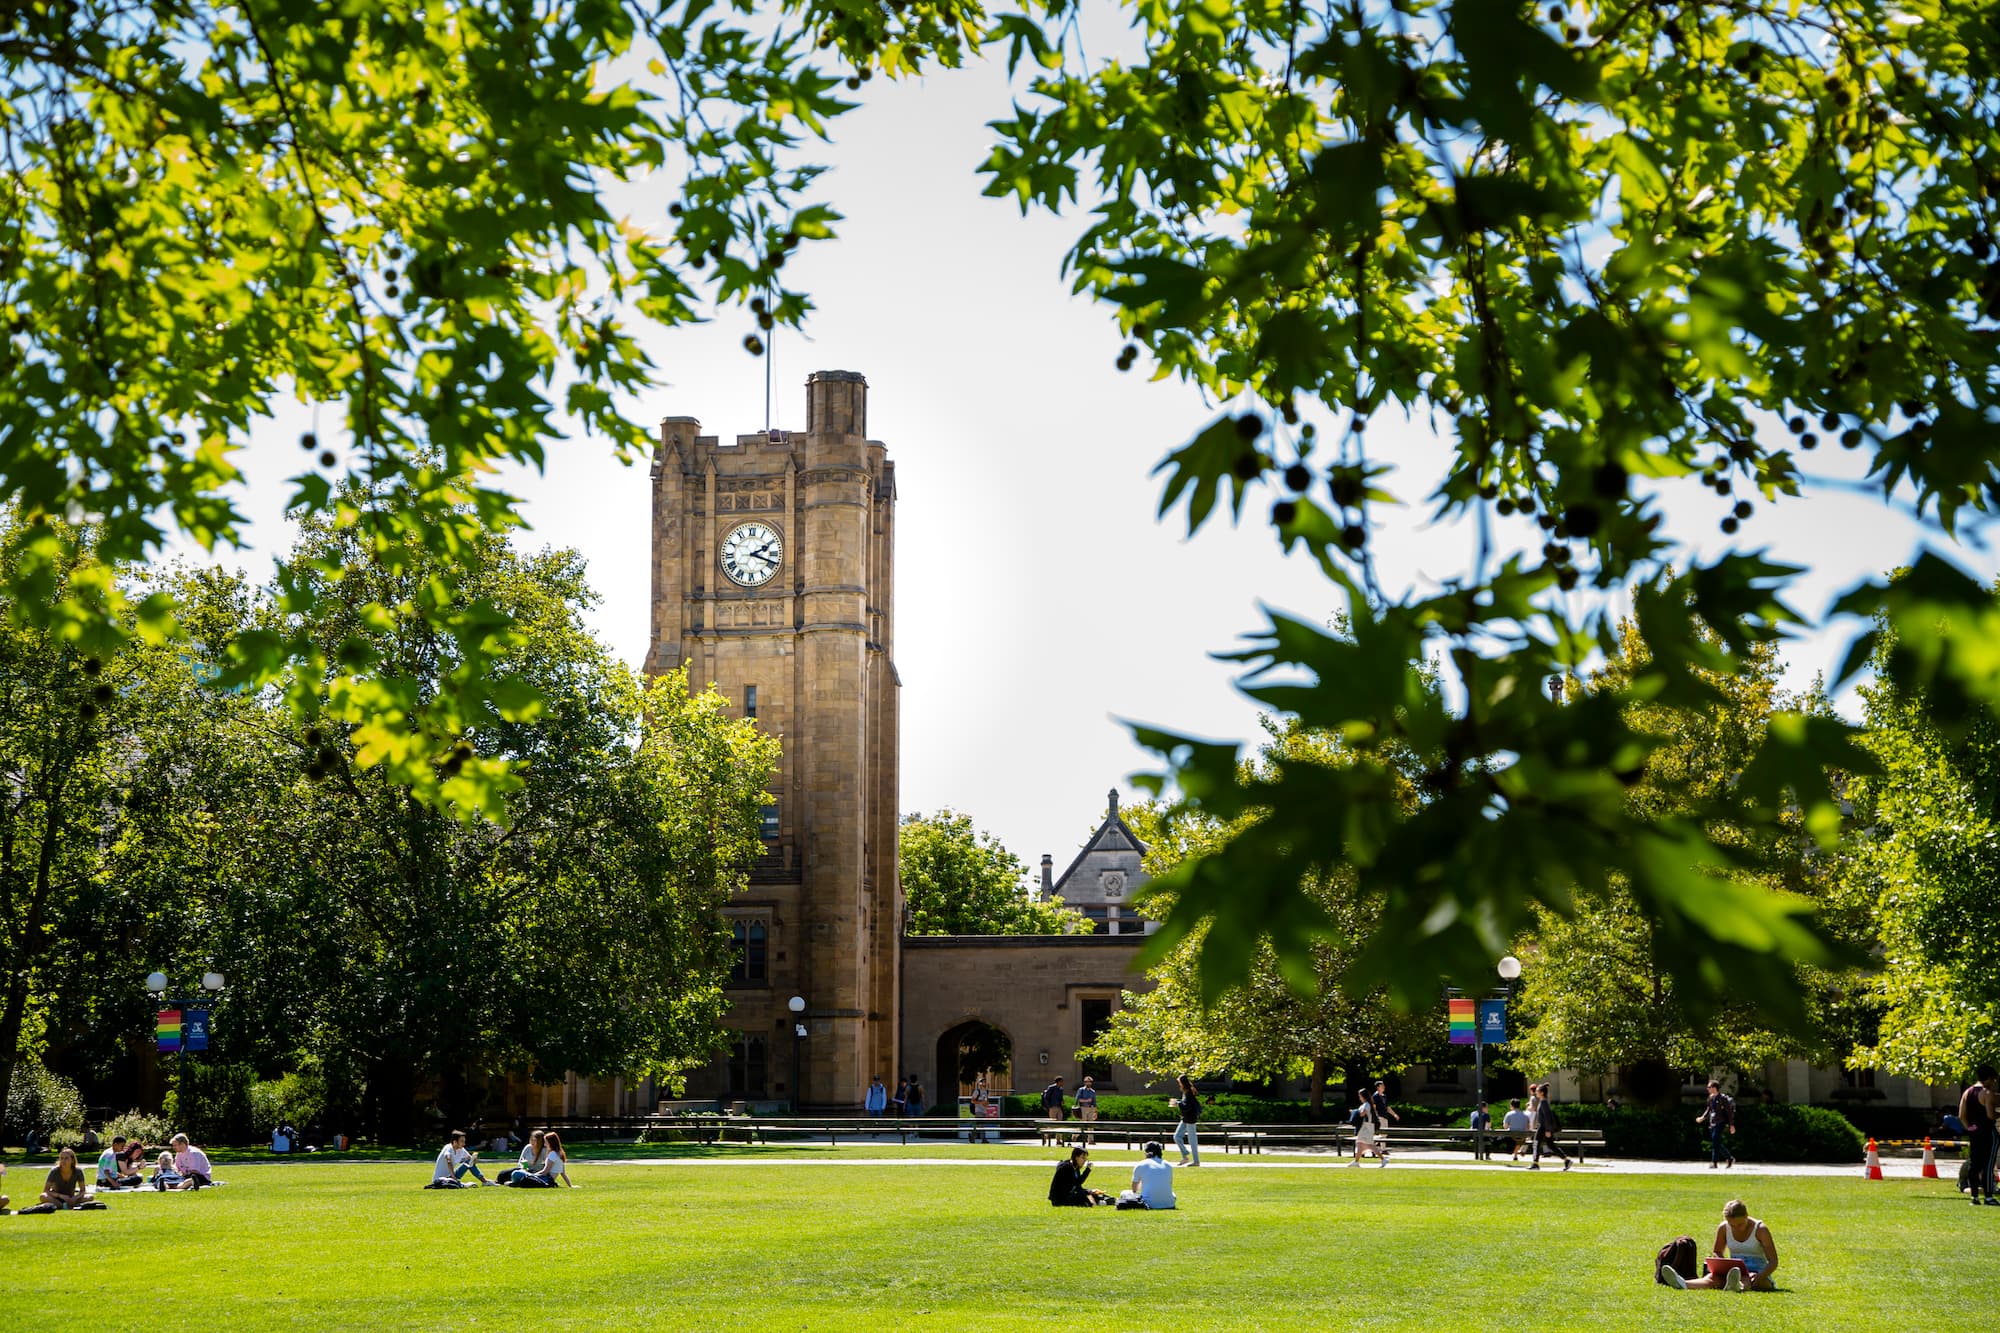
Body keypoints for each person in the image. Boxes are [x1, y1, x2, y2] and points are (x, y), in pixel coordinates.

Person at [1659, 1199, 1780, 1291]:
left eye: (1740, 1224)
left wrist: (1760, 1275)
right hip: (1735, 1270)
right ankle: (1682, 1283)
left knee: (1747, 1279)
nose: (1736, 1228)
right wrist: (1721, 1265)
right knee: (1713, 1278)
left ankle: (1738, 1286)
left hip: (1758, 1272)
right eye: (1732, 1225)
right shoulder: (1723, 1228)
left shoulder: (1760, 1229)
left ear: (1746, 1216)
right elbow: (1717, 1251)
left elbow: (1773, 1261)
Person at [1961, 1065, 1997, 1205]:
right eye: (1993, 1080)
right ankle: (1988, 1197)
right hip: (1988, 1132)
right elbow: (1990, 1115)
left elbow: (1961, 1115)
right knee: (1988, 1164)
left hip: (1974, 1132)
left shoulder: (1967, 1092)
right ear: (1988, 1078)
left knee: (1974, 1164)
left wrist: (1970, 1128)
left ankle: (1974, 1197)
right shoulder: (1986, 1093)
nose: (1994, 1083)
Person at [1118, 1140, 1176, 1210]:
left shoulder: (1141, 1164)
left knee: (1124, 1193)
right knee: (1173, 1194)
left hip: (1149, 1203)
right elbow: (1169, 1184)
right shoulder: (1168, 1164)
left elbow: (1134, 1189)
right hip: (1170, 1203)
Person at [1530, 1084, 1572, 1172]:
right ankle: (1567, 1160)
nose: (1536, 1093)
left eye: (1537, 1091)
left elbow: (1548, 1117)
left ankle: (1535, 1163)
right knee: (1550, 1145)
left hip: (1543, 1127)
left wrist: (1548, 1130)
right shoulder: (1543, 1101)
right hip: (1544, 1127)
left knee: (1536, 1143)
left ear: (1542, 1093)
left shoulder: (1544, 1102)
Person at [1697, 1079, 1736, 1170]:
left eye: (1709, 1087)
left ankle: (1714, 1162)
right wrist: (1702, 1117)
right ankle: (1729, 1158)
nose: (1708, 1089)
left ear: (1714, 1088)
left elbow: (1729, 1112)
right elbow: (1709, 1109)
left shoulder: (1723, 1098)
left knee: (1715, 1140)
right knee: (1716, 1142)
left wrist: (1731, 1125)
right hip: (1712, 1122)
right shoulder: (1711, 1098)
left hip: (1720, 1122)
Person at [1351, 1086, 1388, 1167]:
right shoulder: (1367, 1104)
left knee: (1368, 1145)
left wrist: (1354, 1112)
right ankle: (1356, 1162)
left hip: (1366, 1127)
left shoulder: (1366, 1105)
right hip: (1367, 1127)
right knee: (1361, 1144)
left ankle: (1383, 1159)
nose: (1359, 1097)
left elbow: (1362, 1114)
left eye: (1359, 1095)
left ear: (1362, 1096)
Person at [1173, 1075, 1202, 1167]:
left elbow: (1187, 1107)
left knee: (1192, 1140)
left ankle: (1196, 1161)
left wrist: (1177, 1103)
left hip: (1190, 1119)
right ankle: (1185, 1156)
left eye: (1179, 1082)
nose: (1178, 1084)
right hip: (1185, 1118)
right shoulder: (1185, 1092)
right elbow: (1185, 1105)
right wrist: (1179, 1103)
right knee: (1177, 1137)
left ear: (1183, 1083)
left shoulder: (1189, 1093)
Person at [1075, 1075, 1099, 1145]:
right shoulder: (1081, 1090)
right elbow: (1077, 1099)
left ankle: (1091, 1140)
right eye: (1086, 1082)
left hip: (1091, 1108)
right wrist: (1086, 1100)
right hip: (1083, 1108)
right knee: (1082, 1125)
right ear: (1084, 1083)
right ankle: (1075, 1135)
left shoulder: (1093, 1091)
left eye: (1089, 1082)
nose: (1088, 1083)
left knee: (1091, 1125)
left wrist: (1095, 1111)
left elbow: (1094, 1102)